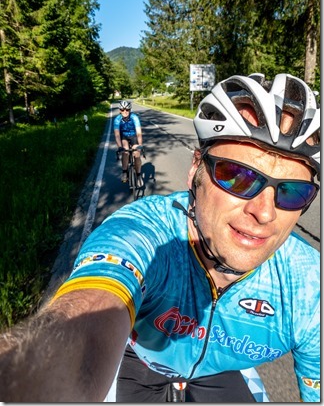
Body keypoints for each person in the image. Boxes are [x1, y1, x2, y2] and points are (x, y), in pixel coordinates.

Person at [0, 73, 320, 402]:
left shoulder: (309, 287)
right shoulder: (146, 234)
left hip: (216, 370)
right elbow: (87, 318)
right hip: (142, 359)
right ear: (196, 168)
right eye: (237, 177)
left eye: (293, 192)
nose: (264, 213)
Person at [114, 100, 144, 187]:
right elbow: (117, 135)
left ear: (130, 110)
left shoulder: (134, 117)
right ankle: (124, 171)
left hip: (134, 136)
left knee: (137, 153)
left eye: (127, 110)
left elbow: (139, 133)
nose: (125, 112)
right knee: (125, 151)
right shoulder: (117, 120)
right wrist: (120, 147)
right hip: (124, 137)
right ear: (120, 110)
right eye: (122, 110)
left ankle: (138, 175)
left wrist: (140, 145)